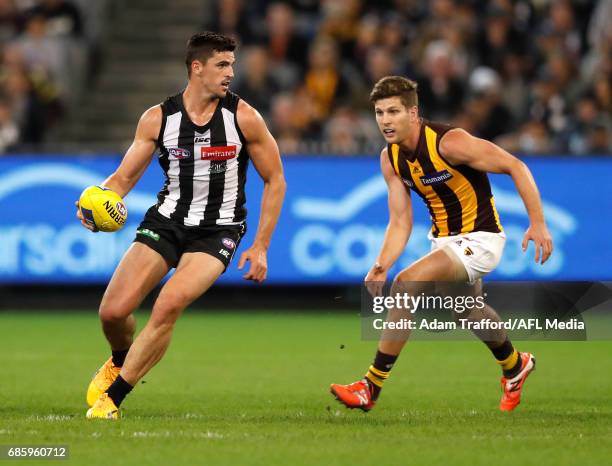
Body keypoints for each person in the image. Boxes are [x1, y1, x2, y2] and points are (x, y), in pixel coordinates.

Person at [77, 32, 286, 419]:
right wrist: (95, 201)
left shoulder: (244, 118)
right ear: (197, 68)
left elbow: (275, 180)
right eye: (222, 65)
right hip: (167, 222)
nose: (230, 73)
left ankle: (113, 400)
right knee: (112, 312)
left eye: (232, 65)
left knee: (168, 303)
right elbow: (122, 180)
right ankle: (120, 360)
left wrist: (260, 245)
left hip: (218, 231)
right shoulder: (158, 118)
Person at [330, 76, 553, 412]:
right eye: (379, 113)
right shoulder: (390, 158)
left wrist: (538, 223)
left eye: (393, 111)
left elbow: (515, 166)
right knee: (468, 310)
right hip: (444, 242)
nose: (385, 121)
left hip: (481, 238)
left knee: (406, 285)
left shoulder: (450, 142)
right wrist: (382, 262)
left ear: (413, 112)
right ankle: (514, 365)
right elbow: (401, 221)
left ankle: (370, 386)